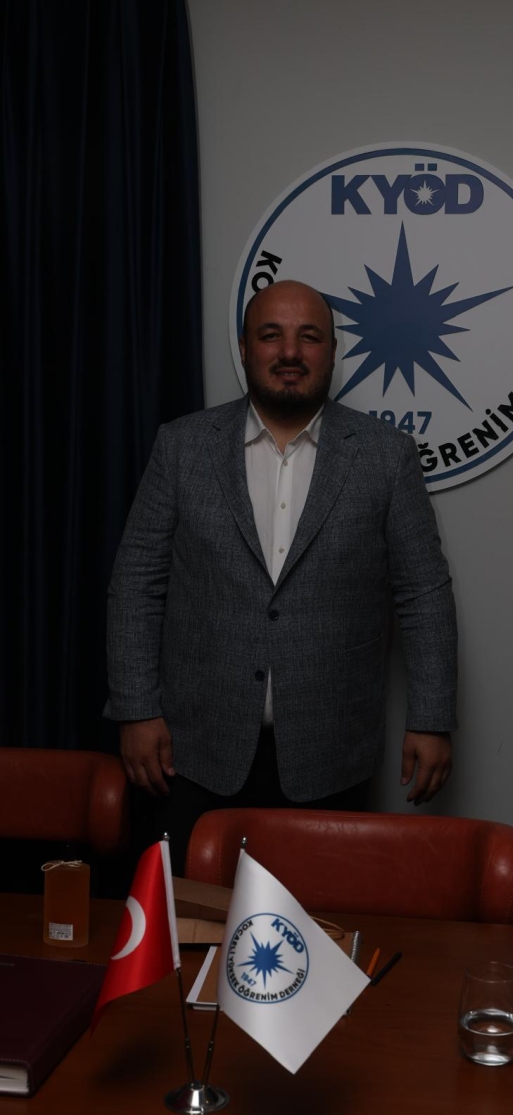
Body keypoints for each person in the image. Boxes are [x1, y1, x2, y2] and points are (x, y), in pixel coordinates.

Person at [105, 280, 457, 872]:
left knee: (317, 924)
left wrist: (432, 718)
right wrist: (135, 710)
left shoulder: (386, 455)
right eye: (271, 335)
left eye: (309, 337)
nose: (290, 352)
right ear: (245, 348)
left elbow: (424, 594)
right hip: (191, 754)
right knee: (192, 920)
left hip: (332, 755)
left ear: (333, 351)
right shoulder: (182, 446)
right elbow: (137, 584)